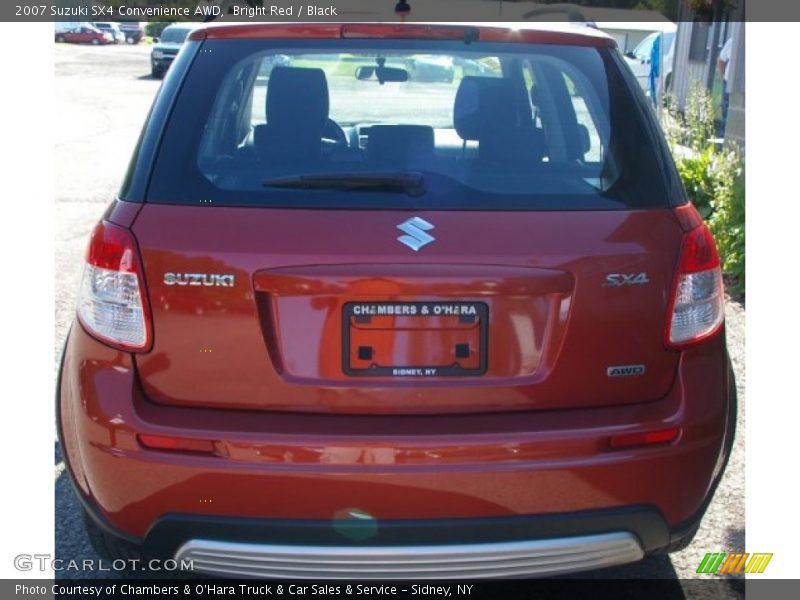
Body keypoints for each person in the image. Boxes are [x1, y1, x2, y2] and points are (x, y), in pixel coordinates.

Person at [717, 37, 733, 131]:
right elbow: (721, 60)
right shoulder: (733, 41)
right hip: (728, 83)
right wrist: (723, 76)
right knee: (726, 114)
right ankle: (721, 143)